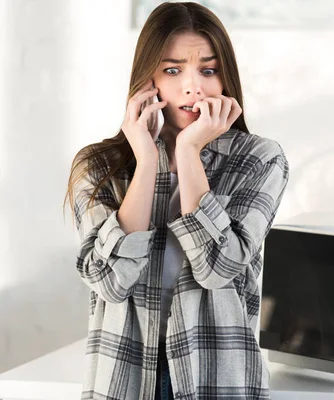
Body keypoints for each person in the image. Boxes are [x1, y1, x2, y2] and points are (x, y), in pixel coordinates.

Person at [63, 2, 289, 399]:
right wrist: (147, 159)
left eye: (208, 69)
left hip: (215, 379)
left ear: (225, 78)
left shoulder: (260, 159)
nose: (193, 87)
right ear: (147, 79)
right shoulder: (98, 165)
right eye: (172, 70)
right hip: (125, 376)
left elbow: (218, 268)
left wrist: (188, 152)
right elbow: (110, 281)